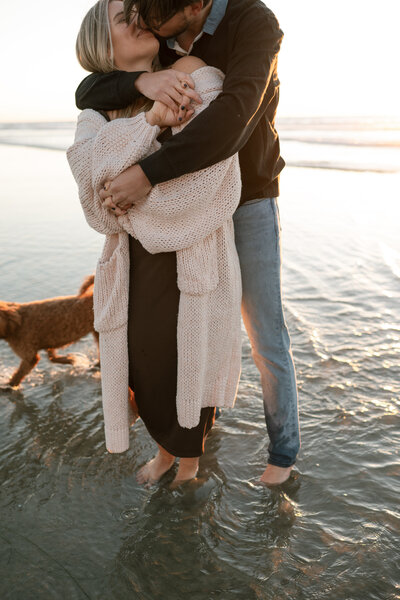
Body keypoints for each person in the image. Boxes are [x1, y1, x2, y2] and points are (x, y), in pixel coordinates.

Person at [75, 0, 301, 486]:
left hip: (249, 195)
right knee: (177, 341)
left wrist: (143, 176)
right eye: (132, 17)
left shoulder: (251, 24)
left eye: (148, 17)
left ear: (192, 7)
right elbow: (89, 87)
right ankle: (184, 444)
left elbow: (232, 119)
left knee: (263, 333)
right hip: (170, 209)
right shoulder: (166, 45)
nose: (143, 22)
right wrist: (141, 83)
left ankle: (282, 455)